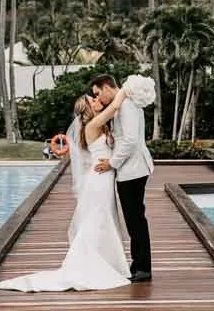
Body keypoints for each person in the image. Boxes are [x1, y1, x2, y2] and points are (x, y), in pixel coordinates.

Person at [0, 87, 131, 292]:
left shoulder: (101, 124)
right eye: (92, 101)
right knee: (98, 219)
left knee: (105, 219)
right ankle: (89, 263)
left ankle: (108, 261)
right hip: (99, 179)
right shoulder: (93, 125)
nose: (96, 100)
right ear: (87, 110)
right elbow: (116, 105)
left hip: (104, 177)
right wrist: (128, 88)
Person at [91, 74, 153, 283]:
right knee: (133, 220)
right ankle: (138, 264)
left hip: (132, 170)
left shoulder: (126, 105)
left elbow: (130, 140)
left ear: (108, 87)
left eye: (98, 93)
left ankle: (143, 268)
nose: (98, 99)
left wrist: (112, 163)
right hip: (129, 170)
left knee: (135, 220)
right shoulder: (121, 106)